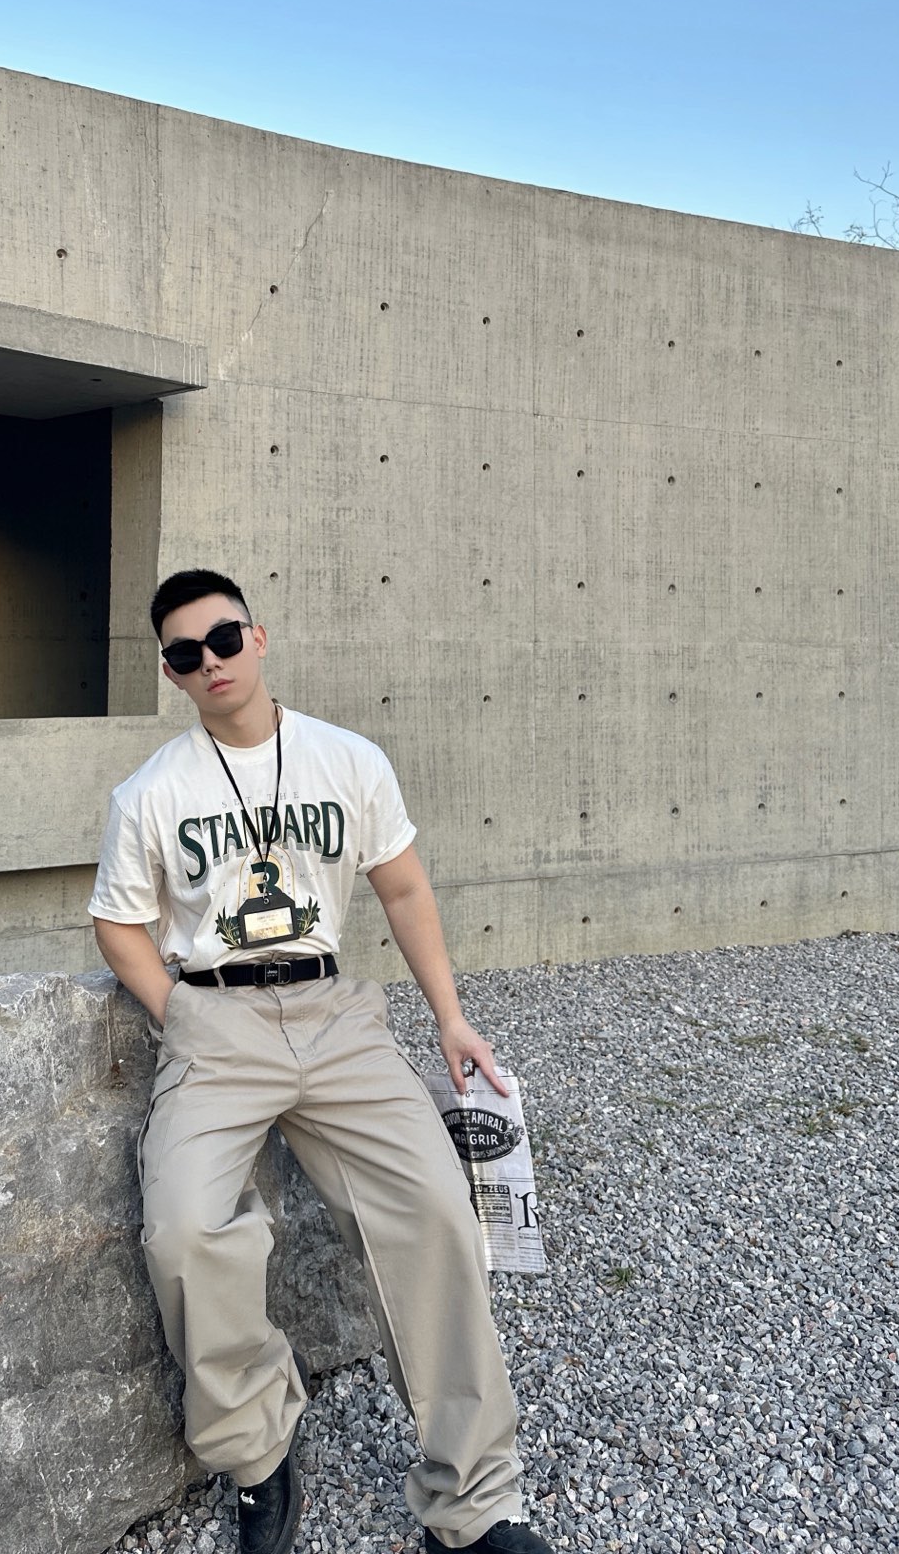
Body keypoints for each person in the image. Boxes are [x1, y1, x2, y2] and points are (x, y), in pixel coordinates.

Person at [90, 569, 554, 1554]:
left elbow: (404, 890)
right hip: (217, 1022)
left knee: (434, 1207)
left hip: (336, 1016)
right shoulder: (152, 792)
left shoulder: (348, 759)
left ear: (258, 639)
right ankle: (259, 1454)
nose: (210, 663)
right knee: (183, 1232)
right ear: (171, 673)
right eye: (186, 654)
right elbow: (118, 923)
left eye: (224, 639)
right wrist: (181, 1014)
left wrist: (450, 1019)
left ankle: (474, 1504)